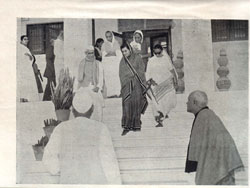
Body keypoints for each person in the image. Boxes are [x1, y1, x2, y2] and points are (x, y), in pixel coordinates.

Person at [43, 87, 121, 184]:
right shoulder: (101, 129)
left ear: (72, 110)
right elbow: (110, 162)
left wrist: (58, 168)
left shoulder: (61, 128)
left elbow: (48, 158)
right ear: (92, 109)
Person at [185, 90, 244, 185]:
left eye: (188, 100)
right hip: (218, 167)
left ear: (195, 102)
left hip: (216, 170)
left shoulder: (204, 116)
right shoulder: (207, 115)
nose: (186, 103)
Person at [119, 42, 148, 136]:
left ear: (130, 49)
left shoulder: (137, 58)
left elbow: (141, 71)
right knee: (127, 105)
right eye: (122, 52)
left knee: (136, 104)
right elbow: (121, 74)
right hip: (126, 87)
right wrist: (128, 78)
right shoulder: (122, 61)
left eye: (125, 51)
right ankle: (126, 127)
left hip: (137, 86)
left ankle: (136, 125)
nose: (124, 53)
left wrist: (142, 82)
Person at [146, 44, 178, 127]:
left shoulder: (165, 59)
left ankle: (164, 112)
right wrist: (149, 81)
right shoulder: (151, 60)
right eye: (155, 53)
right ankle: (159, 120)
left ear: (162, 51)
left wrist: (175, 80)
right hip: (155, 84)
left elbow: (171, 70)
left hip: (166, 83)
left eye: (158, 53)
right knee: (156, 102)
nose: (157, 55)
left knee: (167, 100)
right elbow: (148, 72)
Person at [78, 46, 104, 122]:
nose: (91, 55)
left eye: (92, 53)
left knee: (97, 108)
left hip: (94, 87)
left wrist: (98, 87)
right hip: (84, 87)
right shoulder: (82, 63)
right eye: (89, 53)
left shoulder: (98, 63)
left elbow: (101, 77)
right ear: (86, 54)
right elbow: (79, 78)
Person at [17, 35, 39, 102]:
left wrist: (30, 56)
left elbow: (31, 58)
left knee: (28, 83)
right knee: (24, 83)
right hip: (23, 69)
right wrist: (30, 56)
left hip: (28, 68)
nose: (26, 40)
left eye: (27, 39)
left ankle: (26, 98)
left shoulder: (26, 48)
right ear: (21, 41)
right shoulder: (20, 48)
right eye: (25, 39)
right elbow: (23, 57)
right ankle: (23, 98)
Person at [101, 31, 121, 97]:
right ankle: (110, 94)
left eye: (110, 36)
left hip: (115, 66)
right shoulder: (104, 45)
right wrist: (112, 53)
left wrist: (110, 53)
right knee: (109, 79)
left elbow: (119, 54)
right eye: (107, 37)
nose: (108, 38)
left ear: (112, 36)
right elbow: (104, 56)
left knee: (116, 79)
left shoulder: (116, 43)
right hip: (108, 66)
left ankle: (117, 93)